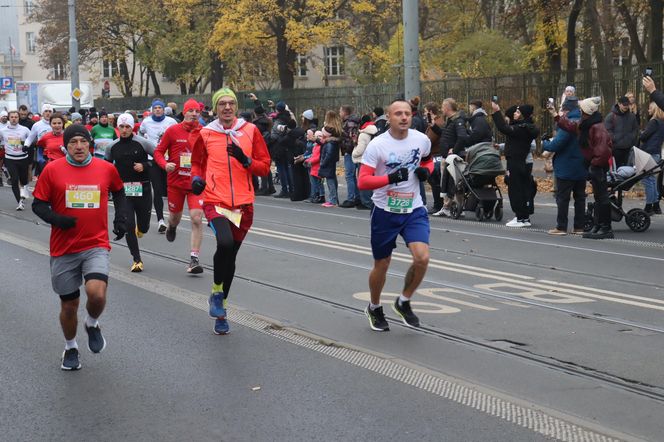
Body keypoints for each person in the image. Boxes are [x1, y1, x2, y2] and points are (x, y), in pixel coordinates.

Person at [31, 124, 127, 370]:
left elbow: (119, 191)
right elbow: (38, 205)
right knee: (69, 305)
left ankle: (92, 323)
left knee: (96, 293)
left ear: (90, 144)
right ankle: (71, 347)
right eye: (73, 142)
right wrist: (57, 219)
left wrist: (120, 218)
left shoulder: (106, 169)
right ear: (66, 146)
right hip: (63, 248)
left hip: (95, 244)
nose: (78, 146)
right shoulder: (52, 170)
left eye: (82, 141)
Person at [190, 88, 271, 335]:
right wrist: (195, 180)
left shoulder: (250, 131)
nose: (227, 107)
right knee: (224, 244)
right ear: (215, 108)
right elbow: (196, 163)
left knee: (231, 256)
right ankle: (216, 292)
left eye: (231, 103)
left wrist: (246, 160)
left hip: (244, 205)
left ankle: (221, 309)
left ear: (236, 107)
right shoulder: (206, 134)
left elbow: (264, 167)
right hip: (216, 200)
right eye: (222, 104)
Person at [358, 99, 432, 332]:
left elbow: (429, 161)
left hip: (414, 209)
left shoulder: (421, 139)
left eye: (407, 113)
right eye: (398, 113)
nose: (403, 117)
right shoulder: (377, 145)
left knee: (422, 258)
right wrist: (390, 178)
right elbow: (363, 181)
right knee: (382, 263)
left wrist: (426, 171)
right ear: (388, 117)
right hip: (385, 211)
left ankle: (403, 301)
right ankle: (374, 306)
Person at [153, 99, 205, 273]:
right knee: (175, 217)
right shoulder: (173, 130)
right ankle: (172, 227)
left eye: (197, 111)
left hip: (195, 184)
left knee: (197, 218)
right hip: (175, 183)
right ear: (184, 112)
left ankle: (194, 259)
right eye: (191, 111)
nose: (194, 114)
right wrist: (164, 164)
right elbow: (158, 152)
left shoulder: (204, 132)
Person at [558, 97, 614, 239]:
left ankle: (606, 227)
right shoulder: (587, 124)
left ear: (586, 112)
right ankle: (599, 225)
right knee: (598, 196)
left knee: (602, 197)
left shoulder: (597, 127)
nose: (579, 111)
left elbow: (603, 151)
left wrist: (594, 165)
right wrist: (556, 116)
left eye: (581, 109)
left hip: (598, 166)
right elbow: (571, 126)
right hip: (593, 164)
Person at [106, 114, 155, 272]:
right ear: (117, 127)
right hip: (123, 191)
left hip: (143, 189)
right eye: (122, 127)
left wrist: (144, 165)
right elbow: (105, 167)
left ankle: (141, 229)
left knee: (144, 226)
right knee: (128, 224)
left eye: (128, 127)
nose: (125, 130)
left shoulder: (143, 143)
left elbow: (159, 159)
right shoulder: (112, 146)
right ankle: (137, 260)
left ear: (133, 127)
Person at [542, 97, 587, 235]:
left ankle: (561, 227)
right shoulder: (584, 121)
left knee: (563, 198)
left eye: (562, 109)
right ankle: (579, 226)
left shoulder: (569, 124)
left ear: (566, 110)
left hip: (567, 166)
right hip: (581, 165)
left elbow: (557, 144)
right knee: (580, 197)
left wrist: (545, 142)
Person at [491, 102, 539, 227]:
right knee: (522, 188)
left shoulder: (522, 128)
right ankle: (524, 218)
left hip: (516, 161)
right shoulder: (526, 127)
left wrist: (496, 111)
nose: (515, 114)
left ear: (523, 116)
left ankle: (519, 217)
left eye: (518, 112)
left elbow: (503, 128)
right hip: (521, 161)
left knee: (515, 189)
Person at [139, 99, 178, 233]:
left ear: (163, 109)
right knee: (156, 190)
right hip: (153, 159)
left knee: (170, 191)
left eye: (159, 108)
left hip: (168, 160)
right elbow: (140, 133)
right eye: (155, 108)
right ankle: (161, 220)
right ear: (152, 110)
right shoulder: (146, 122)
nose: (157, 110)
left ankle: (173, 218)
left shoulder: (171, 122)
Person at [429, 98, 467, 216]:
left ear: (447, 108)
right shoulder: (450, 120)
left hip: (453, 158)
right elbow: (445, 134)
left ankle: (454, 207)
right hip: (447, 157)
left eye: (442, 107)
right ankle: (448, 206)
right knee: (447, 182)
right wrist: (433, 126)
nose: (441, 109)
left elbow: (462, 137)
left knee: (453, 182)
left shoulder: (457, 121)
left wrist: (454, 150)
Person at [0, 110, 32, 210]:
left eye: (16, 117)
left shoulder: (25, 129)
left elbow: (30, 138)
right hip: (10, 158)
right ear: (9, 118)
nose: (14, 119)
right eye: (12, 117)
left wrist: (27, 145)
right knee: (14, 180)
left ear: (18, 118)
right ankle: (20, 202)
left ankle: (24, 194)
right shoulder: (3, 131)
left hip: (23, 158)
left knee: (24, 180)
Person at [638, 101, 664, 215]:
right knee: (652, 179)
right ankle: (656, 205)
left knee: (647, 179)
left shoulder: (653, 122)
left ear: (654, 109)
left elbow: (643, 137)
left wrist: (641, 132)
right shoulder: (662, 122)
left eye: (649, 109)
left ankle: (649, 206)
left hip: (648, 153)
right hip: (656, 153)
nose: (648, 110)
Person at [351, 114, 377, 210]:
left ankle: (366, 202)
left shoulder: (363, 134)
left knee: (363, 181)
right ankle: (369, 201)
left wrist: (354, 153)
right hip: (372, 159)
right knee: (370, 181)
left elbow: (360, 149)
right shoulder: (374, 131)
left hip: (363, 159)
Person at [605, 96, 638, 168]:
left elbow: (635, 129)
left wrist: (631, 138)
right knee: (617, 169)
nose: (626, 107)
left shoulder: (632, 116)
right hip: (616, 149)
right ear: (619, 104)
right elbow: (607, 130)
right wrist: (614, 138)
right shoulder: (611, 116)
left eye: (627, 105)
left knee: (628, 169)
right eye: (624, 105)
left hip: (628, 148)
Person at [339, 105, 361, 208]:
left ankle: (351, 198)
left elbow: (352, 139)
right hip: (353, 151)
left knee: (349, 175)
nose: (339, 113)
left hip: (350, 152)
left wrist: (347, 149)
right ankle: (356, 197)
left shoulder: (349, 123)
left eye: (340, 111)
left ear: (345, 112)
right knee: (352, 175)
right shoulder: (352, 122)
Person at [318, 126, 340, 207]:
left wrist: (323, 163)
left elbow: (329, 155)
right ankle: (333, 199)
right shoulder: (328, 142)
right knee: (331, 181)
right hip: (329, 164)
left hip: (328, 165)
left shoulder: (330, 144)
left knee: (330, 182)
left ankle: (333, 200)